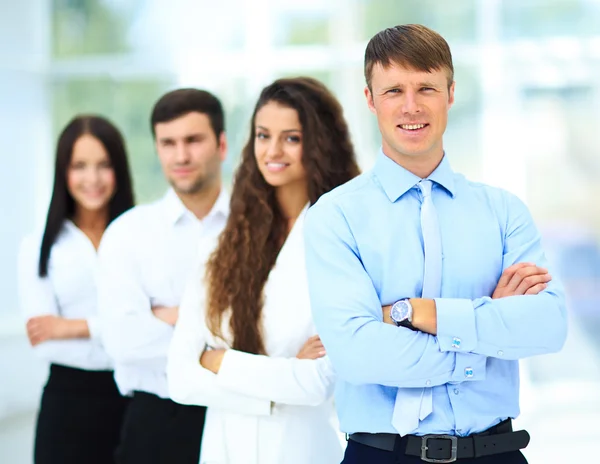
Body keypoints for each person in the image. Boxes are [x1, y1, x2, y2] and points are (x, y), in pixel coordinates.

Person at [303, 24, 567, 464]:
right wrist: (486, 335)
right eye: (393, 91)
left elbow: (548, 325)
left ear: (450, 93)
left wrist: (419, 314)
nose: (411, 106)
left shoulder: (503, 211)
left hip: (496, 452)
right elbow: (357, 355)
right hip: (383, 454)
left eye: (426, 87)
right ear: (369, 99)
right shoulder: (335, 217)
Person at [166, 77, 360, 464]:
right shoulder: (220, 248)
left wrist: (218, 361)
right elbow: (179, 379)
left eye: (291, 138)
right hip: (223, 449)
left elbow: (318, 382)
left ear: (319, 144)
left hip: (301, 448)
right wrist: (281, 375)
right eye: (262, 135)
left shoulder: (345, 244)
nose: (272, 150)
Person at [97, 89, 229, 464]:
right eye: (168, 143)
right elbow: (124, 340)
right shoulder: (128, 233)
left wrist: (175, 317)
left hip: (239, 415)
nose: (181, 155)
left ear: (221, 144)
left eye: (193, 140)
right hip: (157, 423)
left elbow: (273, 331)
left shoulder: (257, 227)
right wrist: (220, 344)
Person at [17, 115, 135, 464]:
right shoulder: (39, 246)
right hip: (69, 403)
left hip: (135, 397)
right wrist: (121, 325)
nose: (92, 179)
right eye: (79, 166)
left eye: (103, 165)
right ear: (63, 172)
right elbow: (44, 337)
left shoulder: (140, 236)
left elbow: (161, 325)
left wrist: (75, 326)